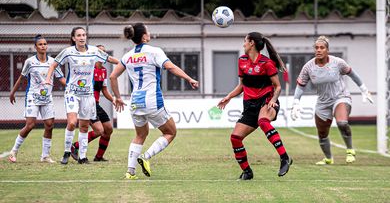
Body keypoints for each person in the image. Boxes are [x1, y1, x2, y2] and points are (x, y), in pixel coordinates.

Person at [110, 23, 199, 180]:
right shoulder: (154, 52)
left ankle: (130, 172)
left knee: (140, 135)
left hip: (135, 102)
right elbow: (170, 67)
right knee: (170, 132)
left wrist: (117, 97)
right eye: (148, 31)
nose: (149, 33)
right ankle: (146, 157)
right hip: (152, 101)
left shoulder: (127, 56)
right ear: (144, 36)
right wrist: (189, 78)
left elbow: (113, 77)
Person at [217, 32, 292, 180]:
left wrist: (273, 100)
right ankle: (247, 172)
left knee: (263, 122)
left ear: (251, 43)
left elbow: (277, 87)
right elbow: (241, 86)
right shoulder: (242, 61)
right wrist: (228, 97)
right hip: (249, 105)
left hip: (267, 100)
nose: (243, 44)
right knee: (235, 138)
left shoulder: (267, 63)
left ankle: (284, 158)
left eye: (245, 41)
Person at [290, 35, 373, 165]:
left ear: (327, 50)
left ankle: (350, 150)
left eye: (322, 48)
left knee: (342, 123)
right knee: (322, 134)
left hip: (340, 97)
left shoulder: (338, 63)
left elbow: (353, 74)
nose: (318, 50)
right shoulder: (308, 67)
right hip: (323, 103)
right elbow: (300, 86)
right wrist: (296, 103)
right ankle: (328, 159)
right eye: (316, 48)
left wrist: (364, 89)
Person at [45, 27, 118, 164]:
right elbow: (53, 65)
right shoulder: (68, 52)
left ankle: (83, 157)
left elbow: (109, 59)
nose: (82, 37)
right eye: (79, 35)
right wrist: (48, 78)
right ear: (73, 38)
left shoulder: (94, 51)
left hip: (88, 95)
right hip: (72, 92)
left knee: (84, 127)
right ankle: (67, 152)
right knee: (72, 122)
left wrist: (123, 63)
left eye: (84, 35)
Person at [8, 35, 66, 163]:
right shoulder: (30, 62)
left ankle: (45, 156)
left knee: (50, 125)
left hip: (47, 98)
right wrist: (12, 92)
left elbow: (60, 78)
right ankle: (13, 151)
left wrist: (70, 86)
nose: (43, 46)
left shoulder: (53, 62)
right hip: (32, 97)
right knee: (30, 125)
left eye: (45, 44)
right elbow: (21, 78)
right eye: (40, 44)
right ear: (35, 47)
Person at [70, 45, 115, 162]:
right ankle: (75, 146)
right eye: (100, 51)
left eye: (104, 52)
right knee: (100, 131)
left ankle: (98, 157)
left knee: (109, 129)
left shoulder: (104, 71)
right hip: (88, 102)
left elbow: (104, 90)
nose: (102, 54)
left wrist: (114, 100)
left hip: (96, 104)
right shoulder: (89, 69)